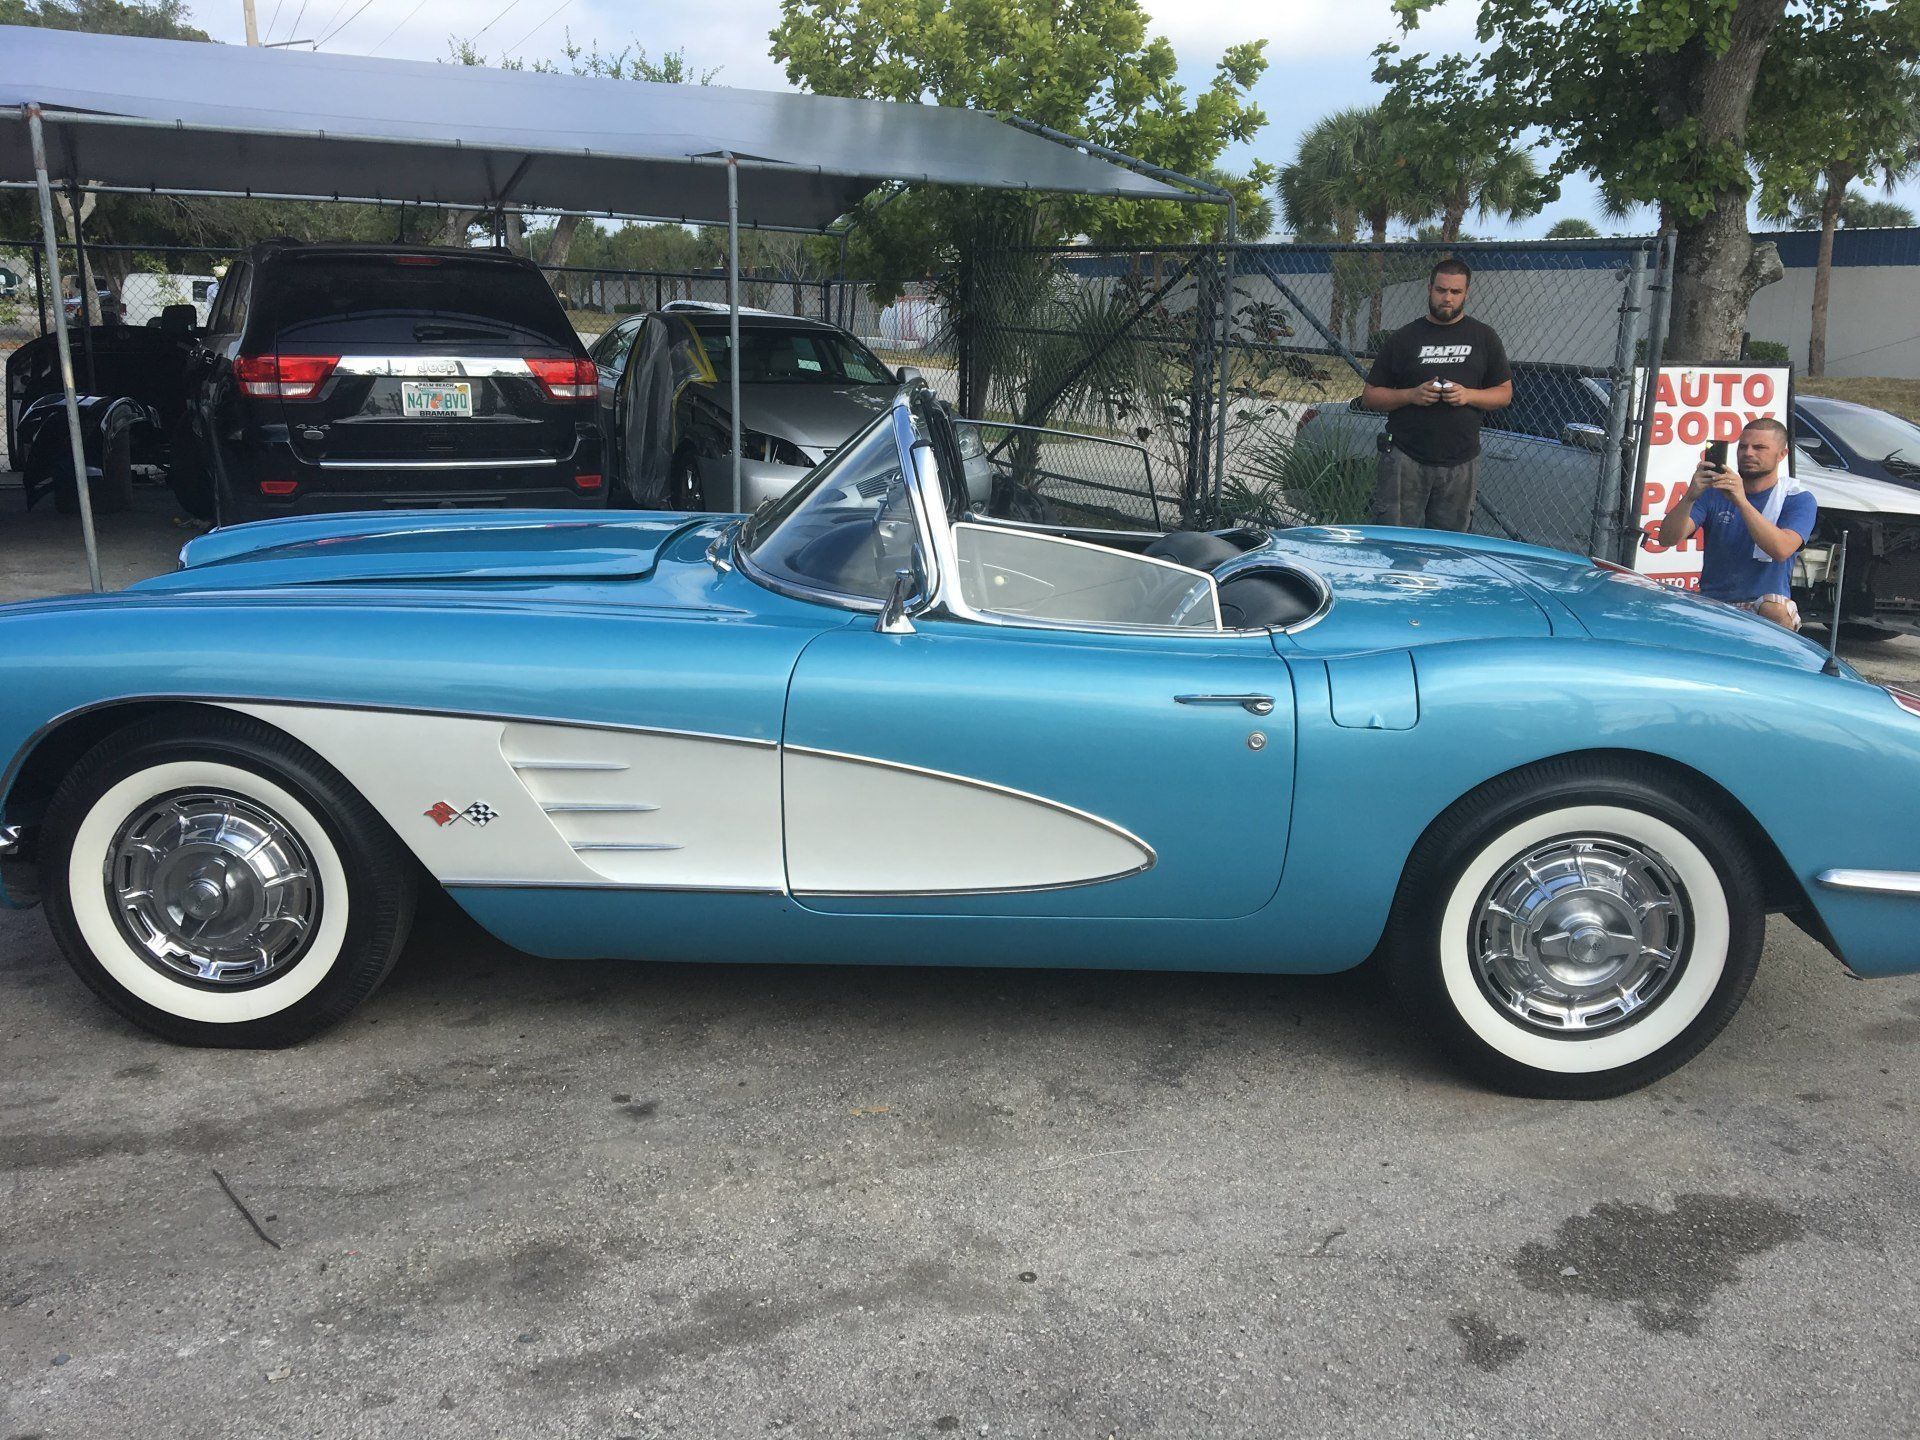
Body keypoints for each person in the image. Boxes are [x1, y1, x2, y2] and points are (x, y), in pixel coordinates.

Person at [1360, 258, 1513, 531]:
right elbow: (1370, 396)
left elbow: (1503, 394)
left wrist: (1468, 396)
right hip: (1405, 458)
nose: (1447, 298)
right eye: (1441, 290)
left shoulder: (1484, 337)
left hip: (1461, 462)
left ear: (1466, 293)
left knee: (1448, 551)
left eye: (1455, 292)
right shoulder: (1405, 338)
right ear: (1430, 288)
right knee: (1395, 543)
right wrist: (1411, 395)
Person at [1655, 417, 1814, 630]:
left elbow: (1781, 549)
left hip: (1762, 603)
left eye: (1759, 448)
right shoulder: (1713, 493)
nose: (1748, 453)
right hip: (1713, 601)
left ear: (1782, 455)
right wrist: (1690, 497)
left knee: (1774, 608)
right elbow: (1667, 538)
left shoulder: (1796, 498)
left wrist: (1741, 500)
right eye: (1743, 447)